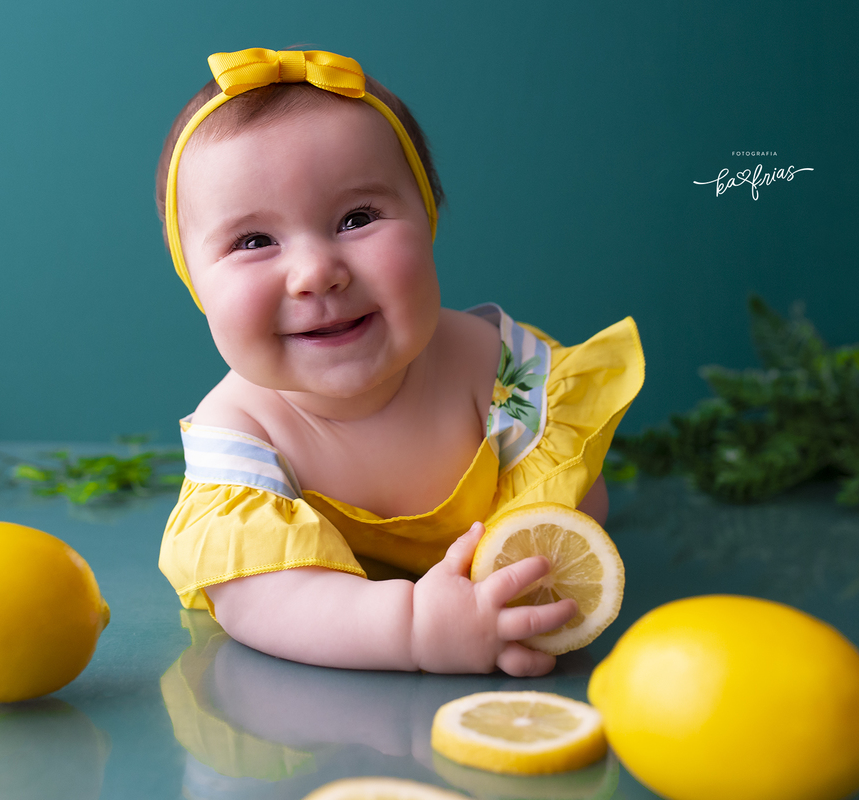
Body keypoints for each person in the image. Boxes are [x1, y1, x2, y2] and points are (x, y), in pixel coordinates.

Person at [155, 48, 644, 677]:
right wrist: (413, 629)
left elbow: (573, 501)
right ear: (193, 281)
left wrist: (512, 582)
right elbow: (261, 597)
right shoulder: (241, 433)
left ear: (429, 218)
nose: (314, 274)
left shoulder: (494, 368)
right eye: (254, 242)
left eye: (357, 219)